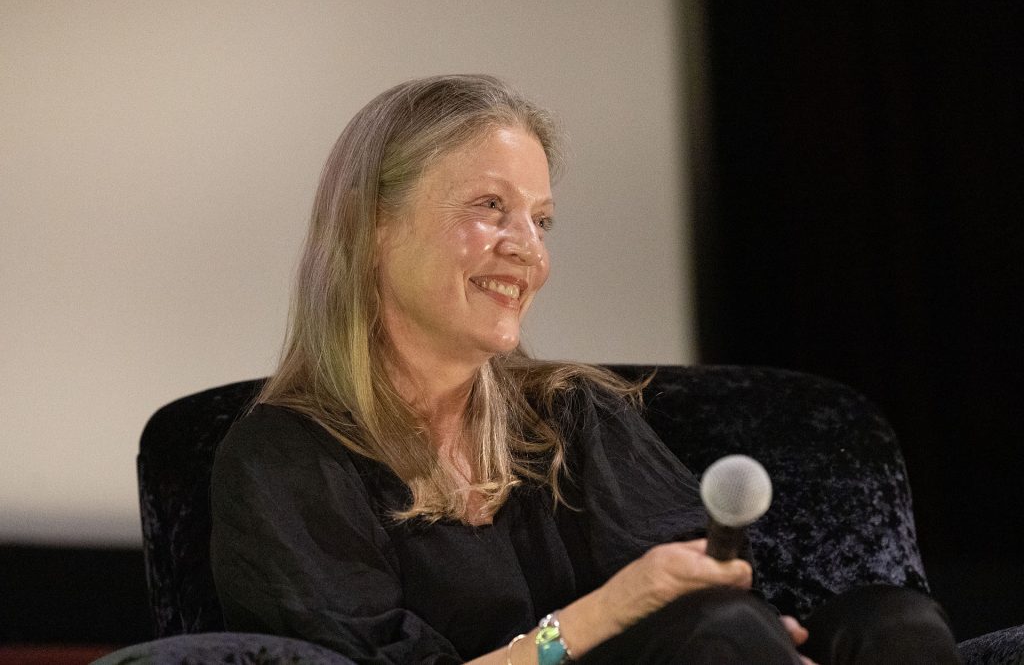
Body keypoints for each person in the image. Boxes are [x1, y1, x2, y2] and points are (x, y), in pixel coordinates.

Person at [209, 74, 960, 664]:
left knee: (891, 622)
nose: (528, 249)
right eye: (489, 206)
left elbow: (713, 608)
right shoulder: (285, 460)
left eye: (540, 220)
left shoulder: (569, 412)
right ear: (373, 227)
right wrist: (605, 612)